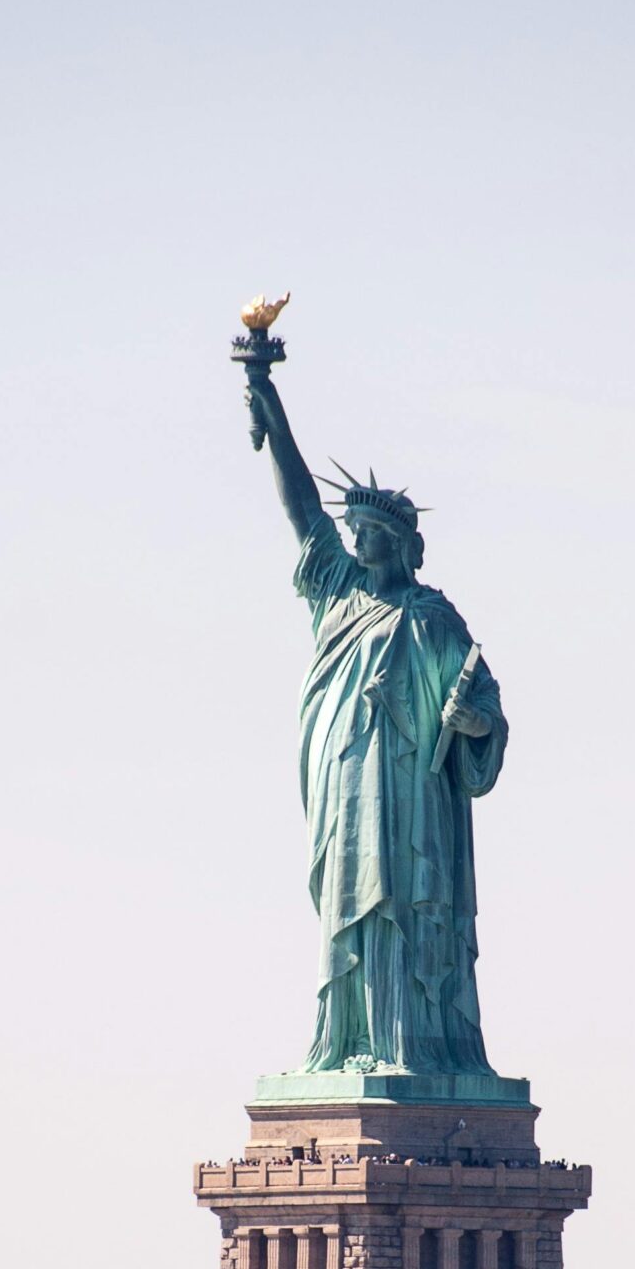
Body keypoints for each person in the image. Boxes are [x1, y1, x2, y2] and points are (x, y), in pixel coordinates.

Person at [241, 341, 510, 1078]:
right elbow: (300, 508)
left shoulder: (429, 617)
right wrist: (270, 405)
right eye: (352, 530)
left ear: (398, 544)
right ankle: (345, 1039)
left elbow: (483, 712)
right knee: (348, 904)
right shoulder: (336, 594)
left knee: (405, 903)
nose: (353, 538)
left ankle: (410, 1044)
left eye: (367, 532)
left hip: (411, 795)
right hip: (345, 784)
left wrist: (474, 726)